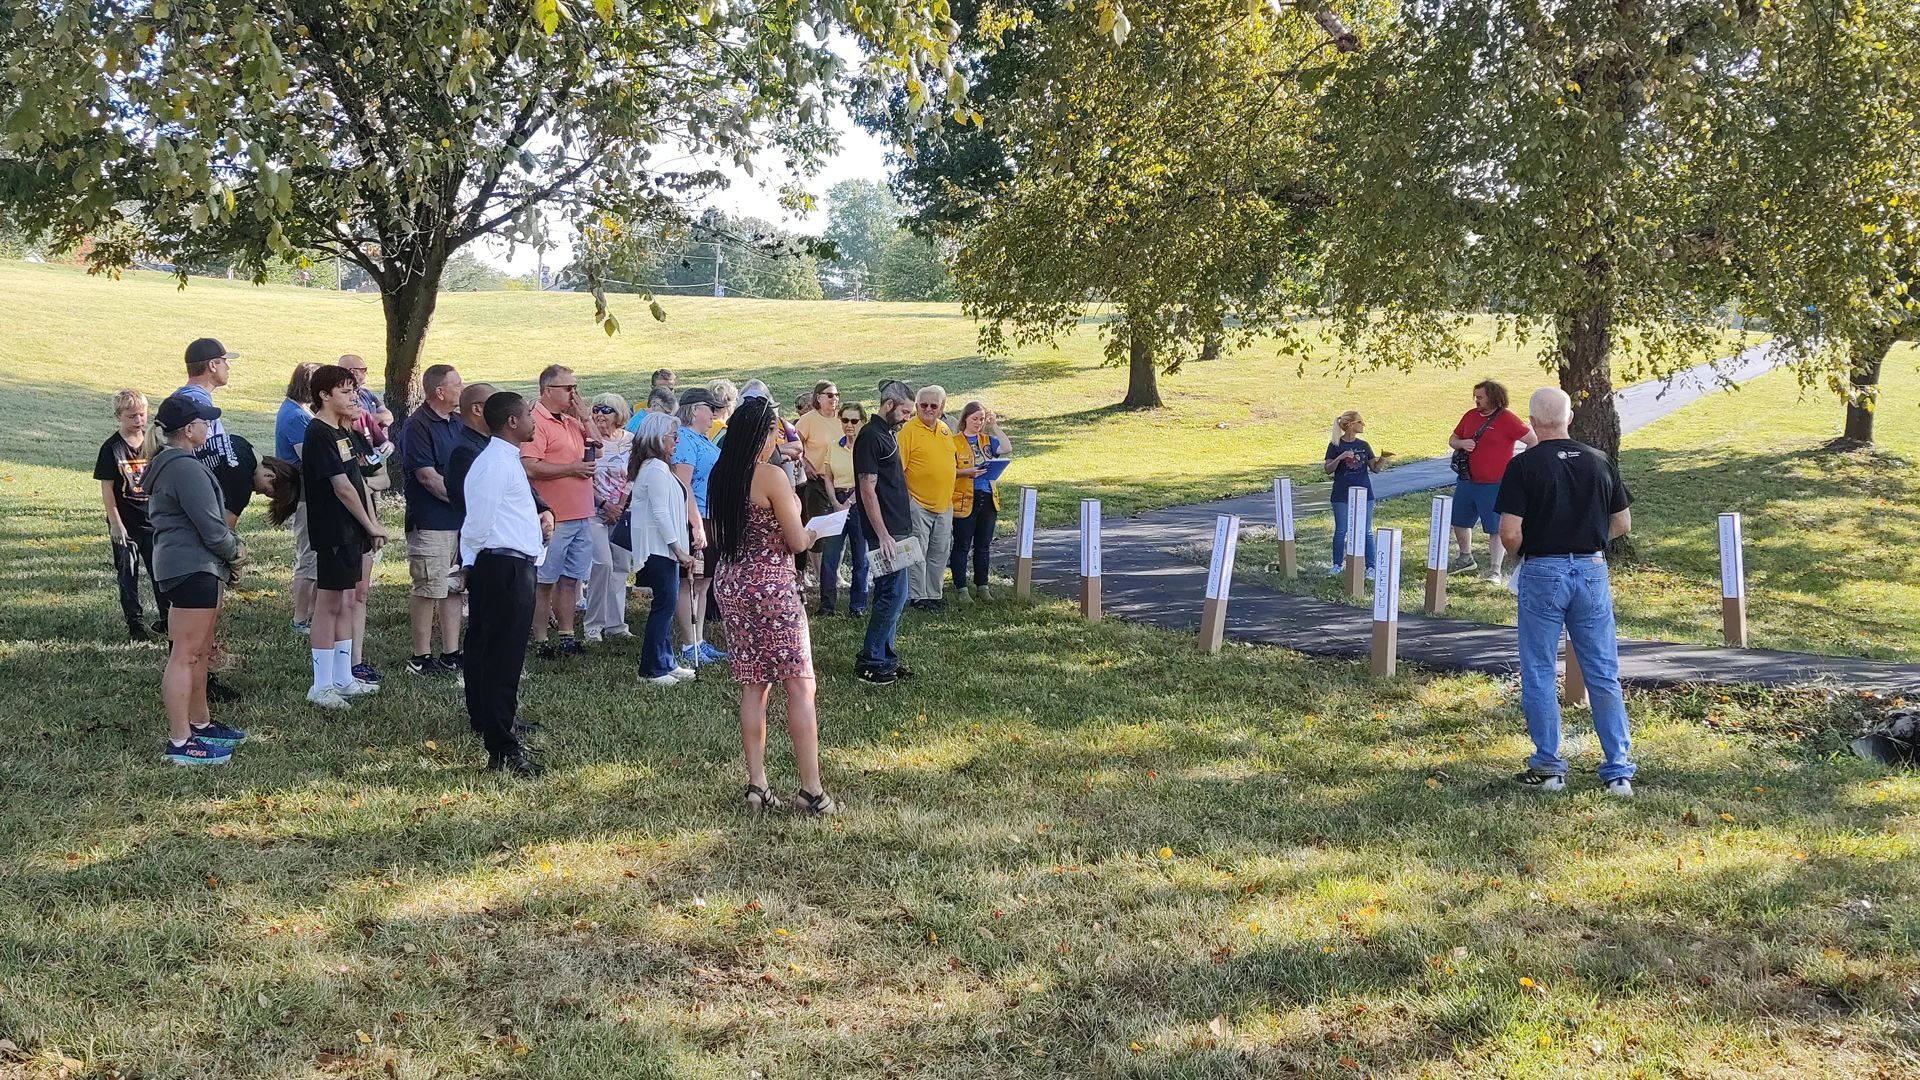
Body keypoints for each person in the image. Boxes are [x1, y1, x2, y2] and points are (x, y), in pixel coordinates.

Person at [1495, 387, 1637, 797]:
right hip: (1591, 568)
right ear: (1569, 418)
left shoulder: (1524, 465)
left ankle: (1550, 767)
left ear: (1532, 421)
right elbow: (1622, 522)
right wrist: (1589, 540)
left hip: (1542, 569)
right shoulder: (1598, 460)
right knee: (1602, 671)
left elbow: (1508, 531)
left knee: (1539, 668)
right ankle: (1618, 771)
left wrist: (1528, 556)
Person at [707, 396, 835, 815]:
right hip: (771, 586)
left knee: (753, 685)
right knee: (799, 684)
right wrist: (816, 531)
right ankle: (811, 791)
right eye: (775, 433)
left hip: (732, 584)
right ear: (763, 435)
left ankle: (757, 784)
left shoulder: (720, 475)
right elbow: (797, 542)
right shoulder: (771, 476)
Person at [143, 394, 248, 765]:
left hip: (195, 567)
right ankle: (180, 741)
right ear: (189, 430)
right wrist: (236, 553)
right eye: (204, 421)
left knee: (199, 652)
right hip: (191, 567)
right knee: (184, 654)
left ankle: (200, 724)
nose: (208, 426)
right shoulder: (184, 469)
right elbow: (211, 526)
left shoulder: (177, 464)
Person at [458, 392, 549, 776]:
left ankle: (491, 718)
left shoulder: (504, 460)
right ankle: (501, 746)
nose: (533, 421)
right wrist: (470, 563)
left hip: (509, 565)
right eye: (529, 415)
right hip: (502, 568)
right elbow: (478, 520)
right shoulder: (495, 463)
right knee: (502, 655)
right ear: (512, 422)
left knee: (488, 648)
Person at [301, 364, 388, 709]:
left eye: (354, 390)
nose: (354, 396)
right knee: (330, 605)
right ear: (324, 395)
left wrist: (371, 526)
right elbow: (340, 488)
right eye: (345, 391)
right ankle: (321, 685)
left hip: (355, 530)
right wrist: (369, 524)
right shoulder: (318, 433)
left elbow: (360, 482)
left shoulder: (344, 431)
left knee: (348, 603)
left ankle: (343, 678)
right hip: (335, 530)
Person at [522, 364, 598, 658]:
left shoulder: (571, 421)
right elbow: (529, 465)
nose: (573, 394)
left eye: (575, 388)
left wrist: (586, 417)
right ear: (547, 391)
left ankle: (567, 634)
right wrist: (570, 468)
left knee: (571, 579)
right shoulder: (537, 422)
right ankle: (539, 638)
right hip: (554, 516)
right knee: (544, 580)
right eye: (568, 388)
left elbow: (597, 448)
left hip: (581, 512)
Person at [399, 363, 467, 678]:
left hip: (460, 522)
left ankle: (451, 653)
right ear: (439, 391)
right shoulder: (417, 426)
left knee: (455, 586)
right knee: (428, 587)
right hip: (430, 521)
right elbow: (427, 477)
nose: (462, 389)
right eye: (457, 384)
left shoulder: (458, 422)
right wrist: (463, 501)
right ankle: (420, 656)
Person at [854, 380, 917, 684]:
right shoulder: (870, 436)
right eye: (905, 411)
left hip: (897, 528)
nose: (907, 417)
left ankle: (885, 657)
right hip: (885, 532)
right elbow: (867, 489)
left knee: (892, 593)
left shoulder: (887, 434)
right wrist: (882, 534)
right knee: (894, 594)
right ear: (889, 405)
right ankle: (870, 659)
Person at [626, 412, 696, 684]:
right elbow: (660, 512)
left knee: (665, 605)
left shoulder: (658, 466)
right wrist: (678, 549)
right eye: (672, 436)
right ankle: (651, 669)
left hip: (663, 548)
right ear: (658, 438)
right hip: (658, 549)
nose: (676, 442)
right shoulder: (655, 468)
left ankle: (665, 660)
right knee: (663, 606)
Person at [1447, 379, 1537, 584]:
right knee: (1459, 520)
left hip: (1494, 483)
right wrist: (1462, 443)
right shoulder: (1470, 416)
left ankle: (1495, 570)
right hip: (1467, 479)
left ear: (1493, 397)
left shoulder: (1507, 419)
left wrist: (1518, 464)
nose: (1476, 400)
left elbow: (1532, 440)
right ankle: (1465, 557)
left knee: (1494, 527)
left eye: (1480, 397)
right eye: (1475, 396)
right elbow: (1452, 440)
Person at [96, 390, 166, 640]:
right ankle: (135, 624)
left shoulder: (154, 445)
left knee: (160, 572)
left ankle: (166, 618)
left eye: (142, 414)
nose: (138, 420)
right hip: (125, 523)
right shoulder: (111, 448)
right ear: (119, 417)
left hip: (153, 522)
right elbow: (107, 489)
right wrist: (115, 523)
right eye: (131, 416)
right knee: (128, 572)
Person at [670, 388, 727, 667]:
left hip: (710, 515)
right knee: (688, 582)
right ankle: (688, 643)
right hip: (694, 517)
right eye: (709, 408)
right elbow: (684, 486)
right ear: (694, 410)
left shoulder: (702, 439)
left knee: (703, 583)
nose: (714, 414)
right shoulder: (683, 439)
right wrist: (695, 525)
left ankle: (699, 640)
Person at [898, 384, 966, 610]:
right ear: (916, 406)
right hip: (918, 502)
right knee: (918, 552)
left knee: (939, 551)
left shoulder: (946, 430)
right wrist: (908, 500)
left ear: (942, 407)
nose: (928, 409)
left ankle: (934, 594)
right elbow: (898, 470)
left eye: (933, 405)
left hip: (944, 504)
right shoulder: (908, 431)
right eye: (923, 405)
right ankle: (917, 597)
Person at [274, 362, 322, 634]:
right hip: (305, 494)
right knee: (308, 557)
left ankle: (313, 615)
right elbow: (312, 459)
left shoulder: (299, 411)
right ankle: (301, 618)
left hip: (309, 494)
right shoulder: (295, 417)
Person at [585, 392, 636, 642]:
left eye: (606, 410)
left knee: (620, 567)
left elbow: (634, 476)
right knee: (601, 565)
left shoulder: (631, 442)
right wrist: (604, 504)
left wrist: (619, 505)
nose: (599, 415)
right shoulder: (588, 442)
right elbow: (584, 477)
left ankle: (617, 624)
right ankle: (593, 624)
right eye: (596, 409)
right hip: (594, 511)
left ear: (619, 414)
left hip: (622, 513)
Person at [949, 401, 1011, 600]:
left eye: (982, 419)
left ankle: (982, 586)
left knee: (983, 545)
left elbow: (1007, 447)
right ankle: (961, 588)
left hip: (987, 497)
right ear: (965, 418)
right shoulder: (954, 441)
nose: (978, 423)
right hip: (964, 498)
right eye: (974, 418)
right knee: (962, 545)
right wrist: (966, 472)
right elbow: (947, 470)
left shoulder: (986, 440)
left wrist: (994, 426)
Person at [817, 400, 869, 617]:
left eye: (854, 421)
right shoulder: (833, 446)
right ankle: (826, 605)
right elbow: (827, 478)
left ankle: (857, 606)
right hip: (837, 499)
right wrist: (837, 503)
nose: (849, 425)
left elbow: (869, 479)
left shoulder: (867, 447)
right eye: (845, 420)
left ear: (862, 422)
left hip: (860, 502)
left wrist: (850, 502)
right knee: (830, 555)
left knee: (861, 556)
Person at [1325, 410, 1393, 576]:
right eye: (1360, 422)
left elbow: (1375, 469)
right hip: (1342, 494)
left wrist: (1382, 458)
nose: (1363, 425)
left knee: (1367, 530)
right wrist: (1340, 457)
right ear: (1350, 425)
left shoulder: (1364, 445)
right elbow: (1327, 469)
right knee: (1341, 530)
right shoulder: (1335, 445)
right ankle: (1336, 564)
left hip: (1364, 493)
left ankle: (1370, 567)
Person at [174, 337, 238, 470]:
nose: (228, 367)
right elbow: (207, 453)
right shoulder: (197, 402)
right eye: (224, 361)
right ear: (212, 365)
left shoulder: (183, 397)